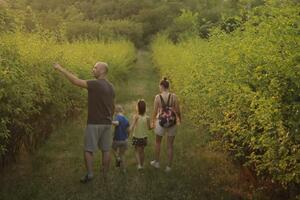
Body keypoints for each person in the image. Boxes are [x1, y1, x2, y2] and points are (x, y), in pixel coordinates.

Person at [53, 62, 115, 183]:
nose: (93, 69)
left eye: (95, 68)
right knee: (106, 150)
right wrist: (110, 119)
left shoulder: (95, 84)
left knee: (88, 150)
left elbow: (75, 81)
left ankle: (90, 174)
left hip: (94, 123)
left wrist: (60, 68)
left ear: (102, 71)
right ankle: (105, 175)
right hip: (107, 123)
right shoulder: (111, 86)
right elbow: (113, 106)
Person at [150, 77, 181, 172]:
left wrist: (153, 121)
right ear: (168, 86)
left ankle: (157, 162)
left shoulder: (158, 97)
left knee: (158, 142)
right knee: (170, 145)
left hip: (161, 122)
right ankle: (169, 167)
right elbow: (178, 110)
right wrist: (180, 119)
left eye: (160, 86)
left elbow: (155, 112)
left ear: (162, 86)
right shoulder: (174, 96)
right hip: (172, 122)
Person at [130, 99, 152, 170]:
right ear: (145, 108)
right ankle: (142, 165)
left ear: (138, 107)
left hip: (136, 137)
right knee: (142, 151)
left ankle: (139, 164)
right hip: (144, 137)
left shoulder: (136, 116)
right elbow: (149, 128)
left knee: (136, 150)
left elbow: (132, 126)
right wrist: (153, 125)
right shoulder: (147, 117)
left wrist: (129, 130)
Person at [111, 105, 130, 173]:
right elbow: (128, 130)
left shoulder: (118, 117)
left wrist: (111, 122)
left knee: (113, 149)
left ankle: (117, 158)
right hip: (124, 140)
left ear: (116, 111)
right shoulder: (126, 119)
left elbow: (117, 123)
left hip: (117, 139)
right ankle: (124, 170)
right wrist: (127, 137)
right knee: (122, 155)